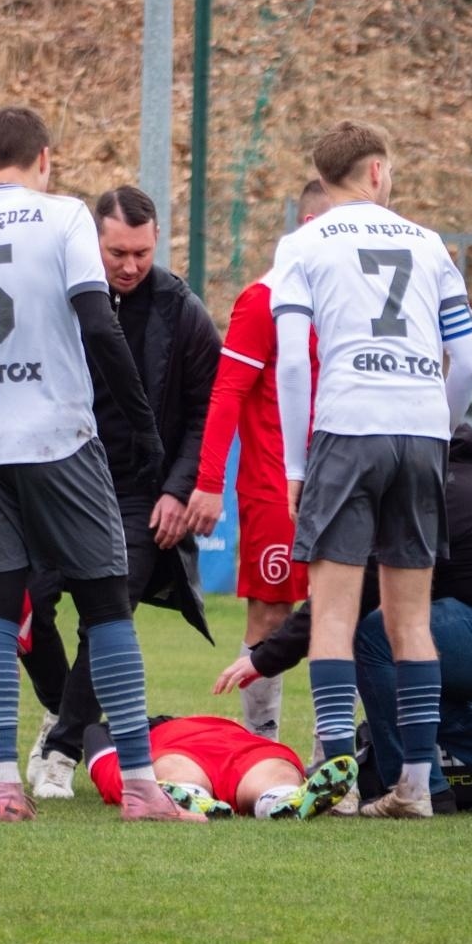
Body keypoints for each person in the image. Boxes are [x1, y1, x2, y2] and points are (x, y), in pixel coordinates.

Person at [0, 105, 204, 823]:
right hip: (59, 438)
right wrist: (137, 425)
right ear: (45, 159)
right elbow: (99, 324)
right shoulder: (65, 216)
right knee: (106, 606)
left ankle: (5, 783)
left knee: (0, 611)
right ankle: (140, 785)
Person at [267, 119, 472, 819]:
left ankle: (336, 779)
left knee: (332, 616)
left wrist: (298, 463)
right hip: (420, 430)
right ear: (379, 173)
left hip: (347, 427)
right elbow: (471, 361)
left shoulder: (301, 243)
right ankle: (415, 787)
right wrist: (438, 430)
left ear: (324, 178)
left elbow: (295, 359)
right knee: (408, 620)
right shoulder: (428, 244)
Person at [220, 424, 472, 815]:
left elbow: (352, 591)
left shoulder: (432, 494)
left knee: (376, 637)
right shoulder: (456, 479)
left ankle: (413, 787)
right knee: (409, 658)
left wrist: (264, 658)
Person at [22, 184, 219, 800]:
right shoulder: (58, 298)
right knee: (28, 605)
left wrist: (179, 489)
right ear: (93, 244)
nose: (130, 265)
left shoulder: (184, 312)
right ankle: (65, 710)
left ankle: (60, 751)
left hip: (141, 493)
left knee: (107, 613)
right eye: (116, 253)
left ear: (157, 239)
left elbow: (205, 413)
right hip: (61, 477)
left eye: (140, 252)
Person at [185, 179, 331, 741]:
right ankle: (262, 746)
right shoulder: (264, 297)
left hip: (345, 481)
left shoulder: (350, 296)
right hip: (275, 487)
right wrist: (207, 482)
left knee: (340, 615)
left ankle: (331, 751)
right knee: (271, 614)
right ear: (309, 222)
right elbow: (226, 394)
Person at [84, 716, 357, 820]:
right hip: (245, 748)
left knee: (175, 769)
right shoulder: (216, 722)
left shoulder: (136, 743)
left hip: (180, 749)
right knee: (274, 772)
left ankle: (190, 797)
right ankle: (280, 801)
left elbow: (95, 734)